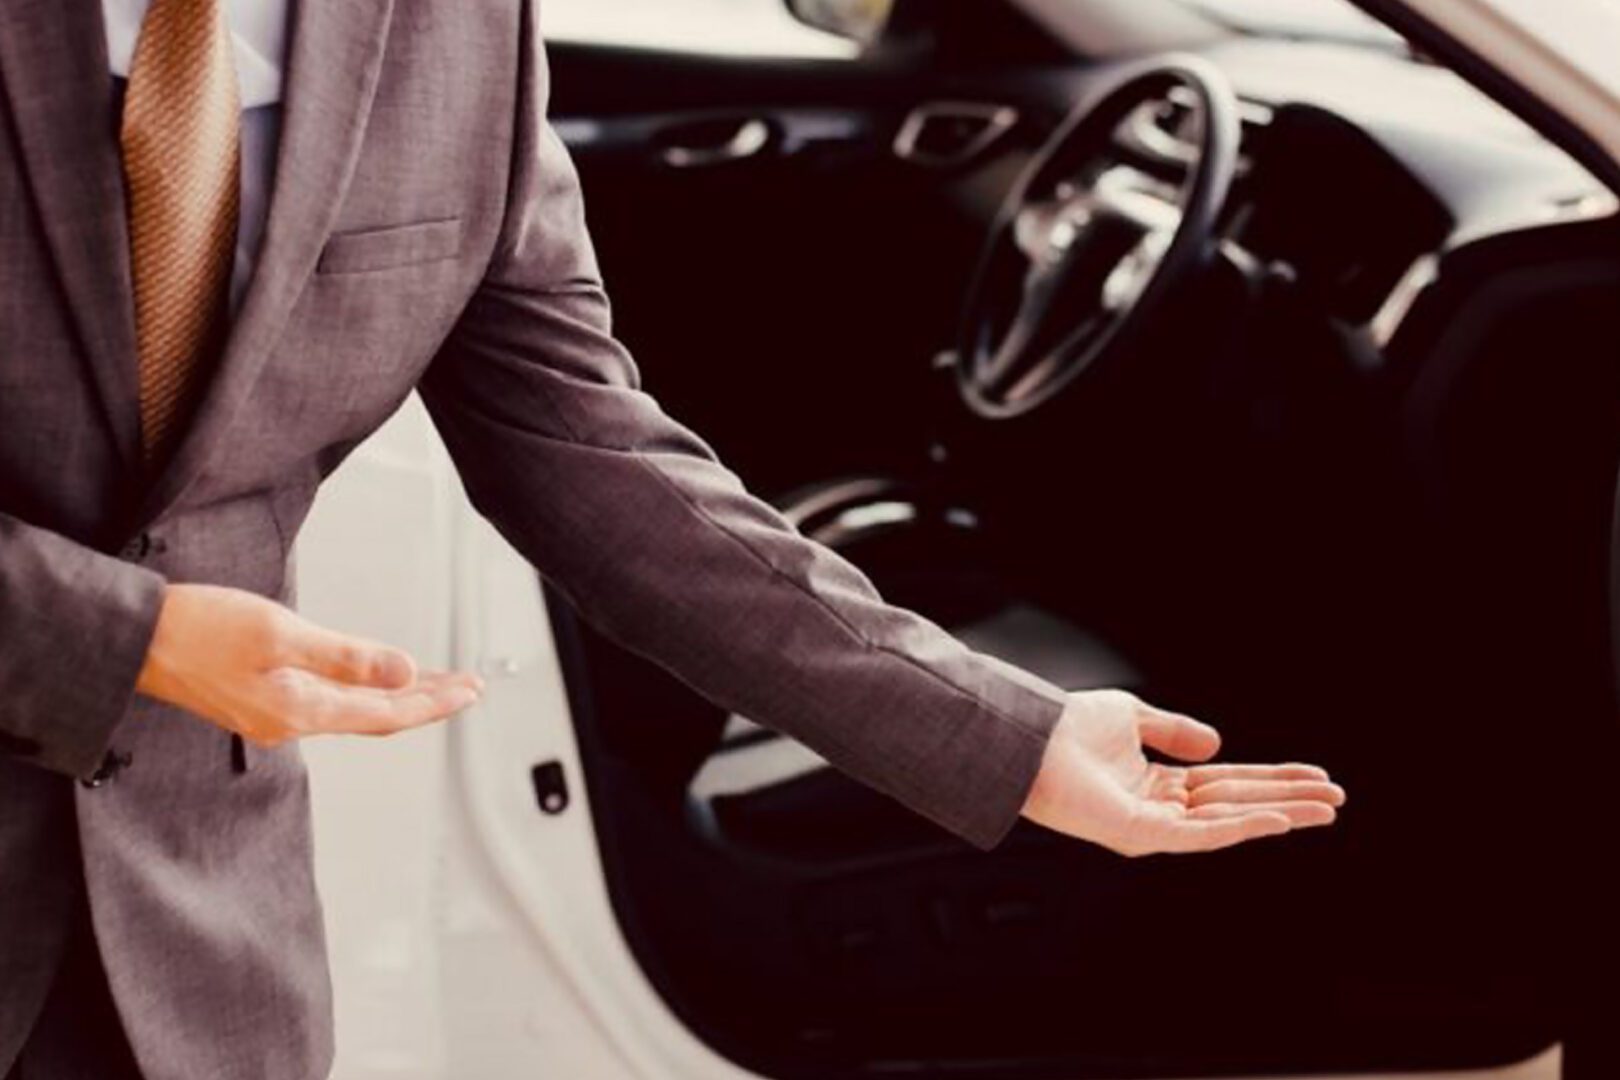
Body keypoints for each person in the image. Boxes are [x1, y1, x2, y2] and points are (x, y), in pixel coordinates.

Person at [0, 1, 1345, 1077]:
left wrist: (1007, 738)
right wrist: (124, 640)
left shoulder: (457, 28)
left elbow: (591, 450)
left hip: (201, 944)